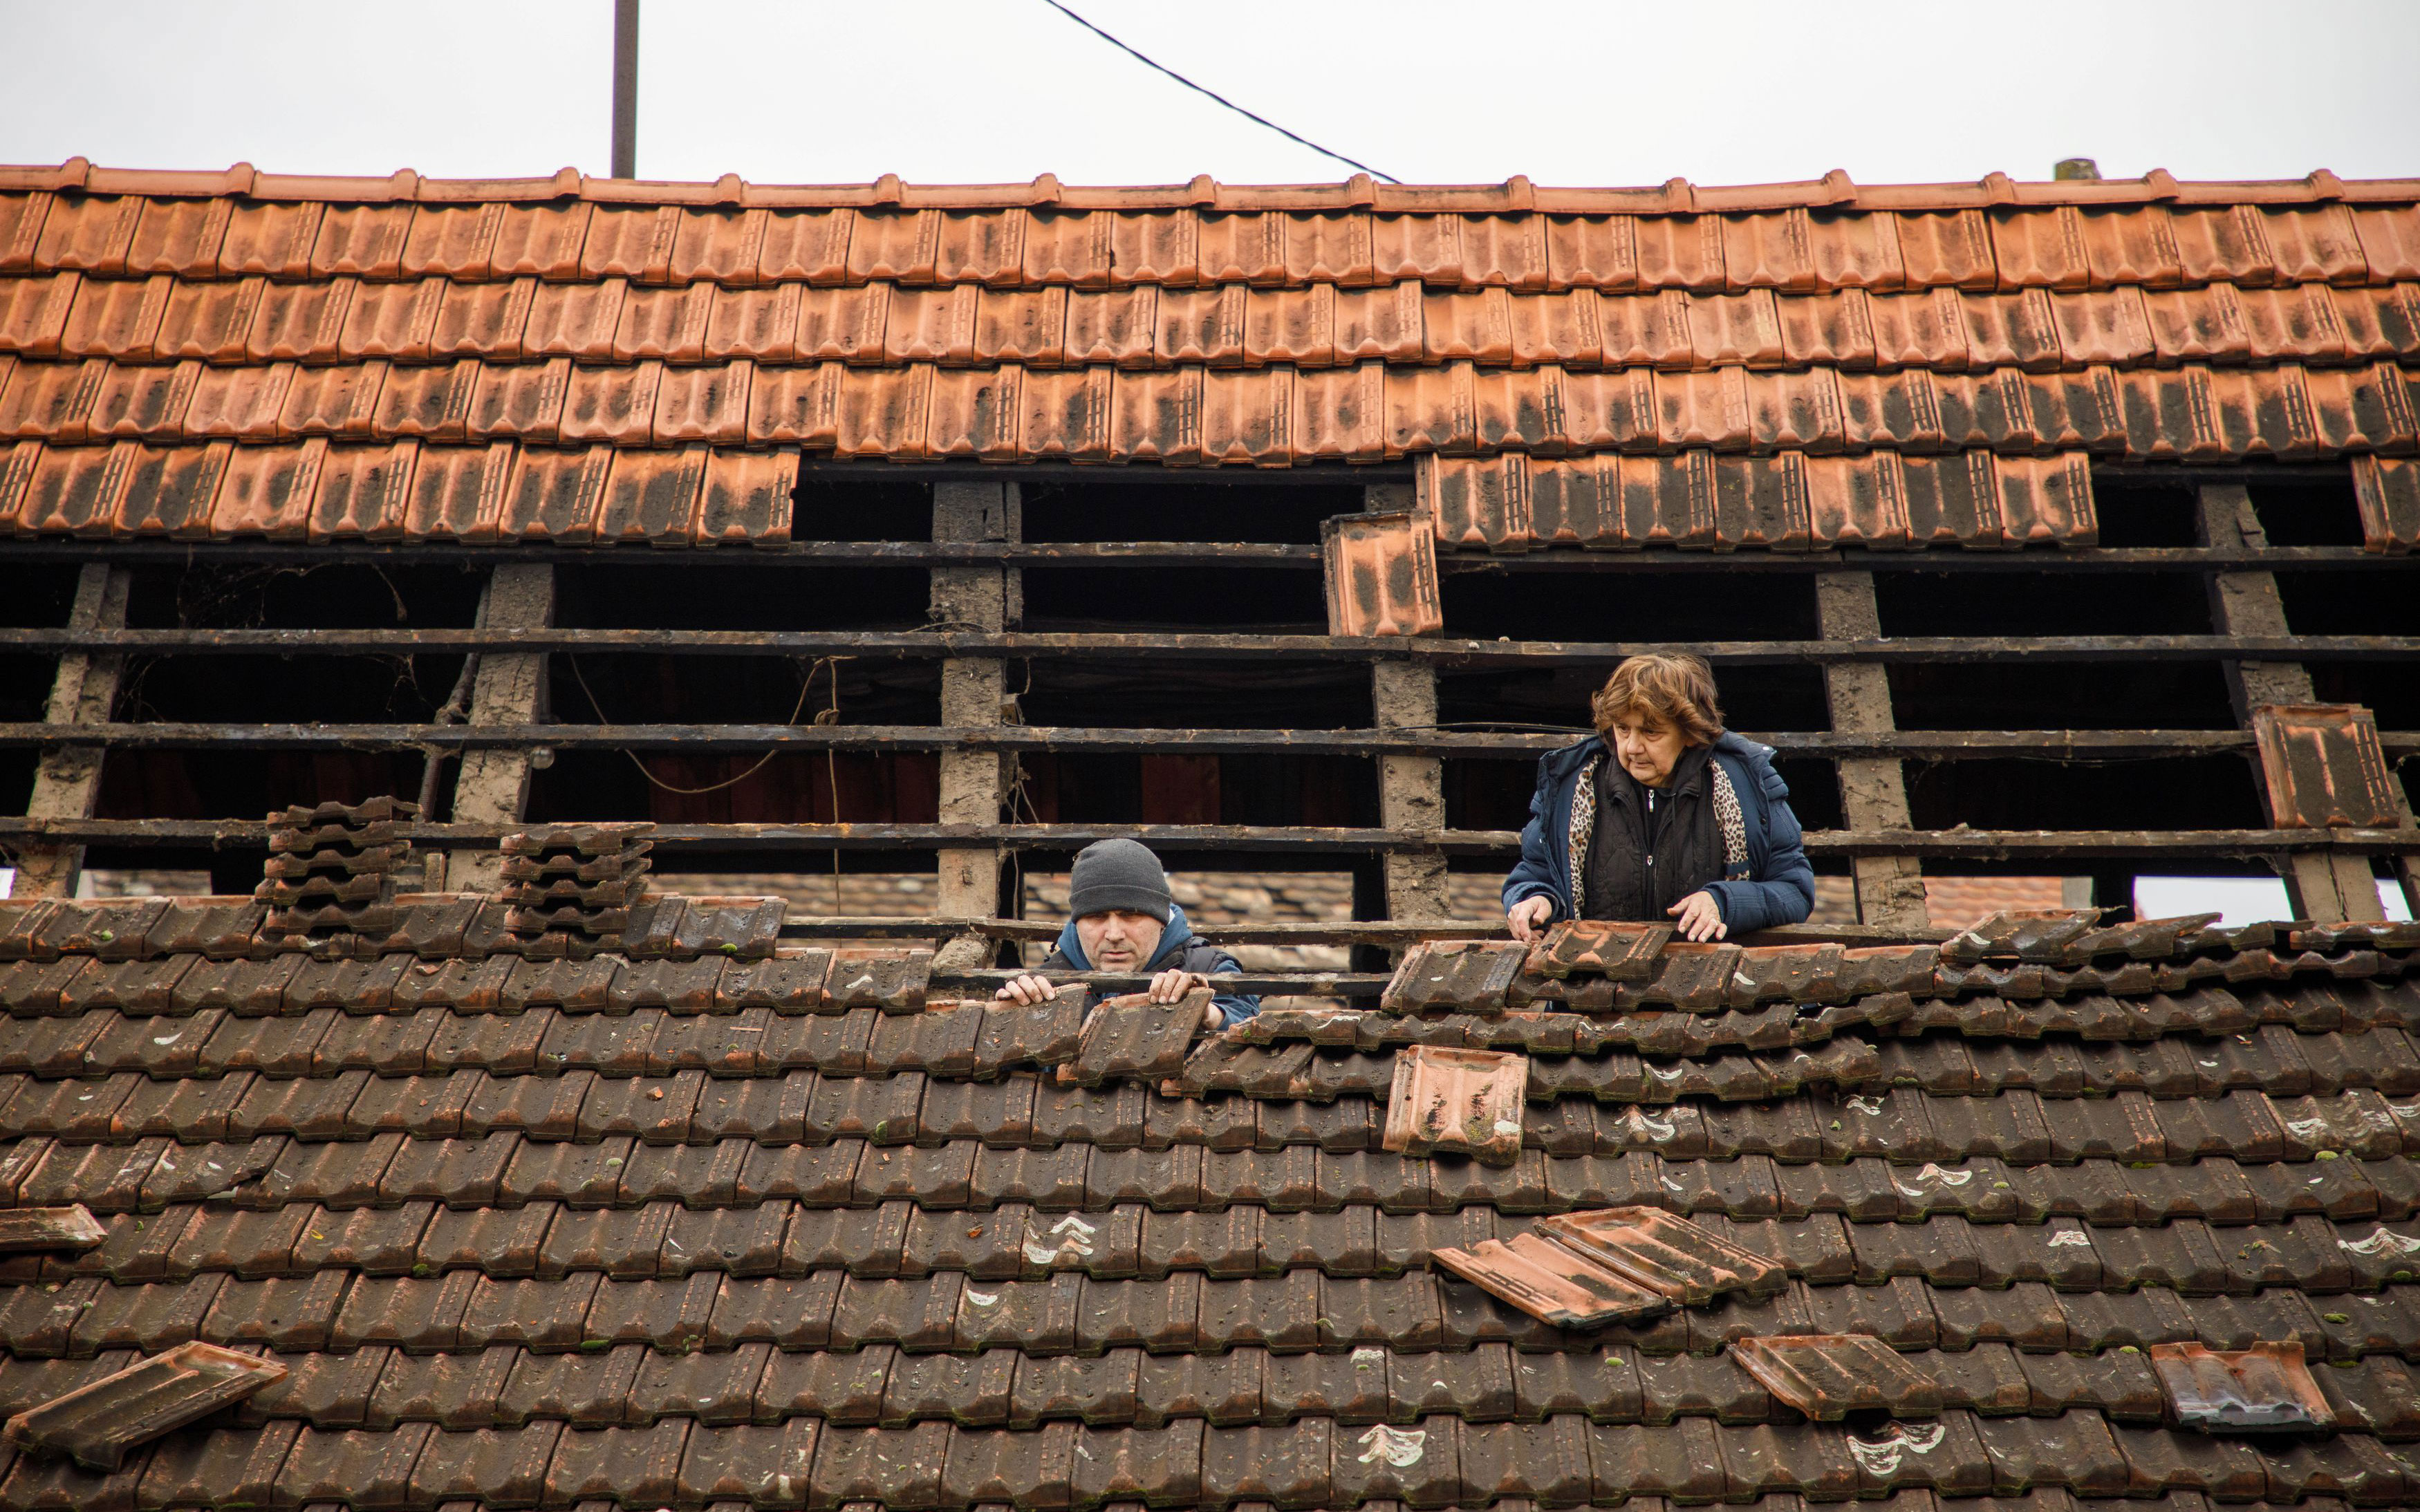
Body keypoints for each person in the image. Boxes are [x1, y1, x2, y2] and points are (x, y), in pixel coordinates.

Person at [1503, 652, 1814, 944]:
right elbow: (1535, 874)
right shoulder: (1571, 786)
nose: (1631, 747)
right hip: (1590, 986)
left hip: (1711, 989)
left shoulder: (1748, 783)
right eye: (1623, 729)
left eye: (1651, 732)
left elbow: (1795, 890)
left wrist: (1724, 901)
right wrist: (1537, 900)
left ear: (1690, 732)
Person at [994, 837, 1259, 1028]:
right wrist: (1015, 1017)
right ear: (1077, 923)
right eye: (1097, 916)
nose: (1114, 933)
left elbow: (1248, 1024)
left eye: (1130, 915)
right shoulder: (1045, 983)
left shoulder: (1208, 968)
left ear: (1161, 919)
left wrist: (1208, 1014)